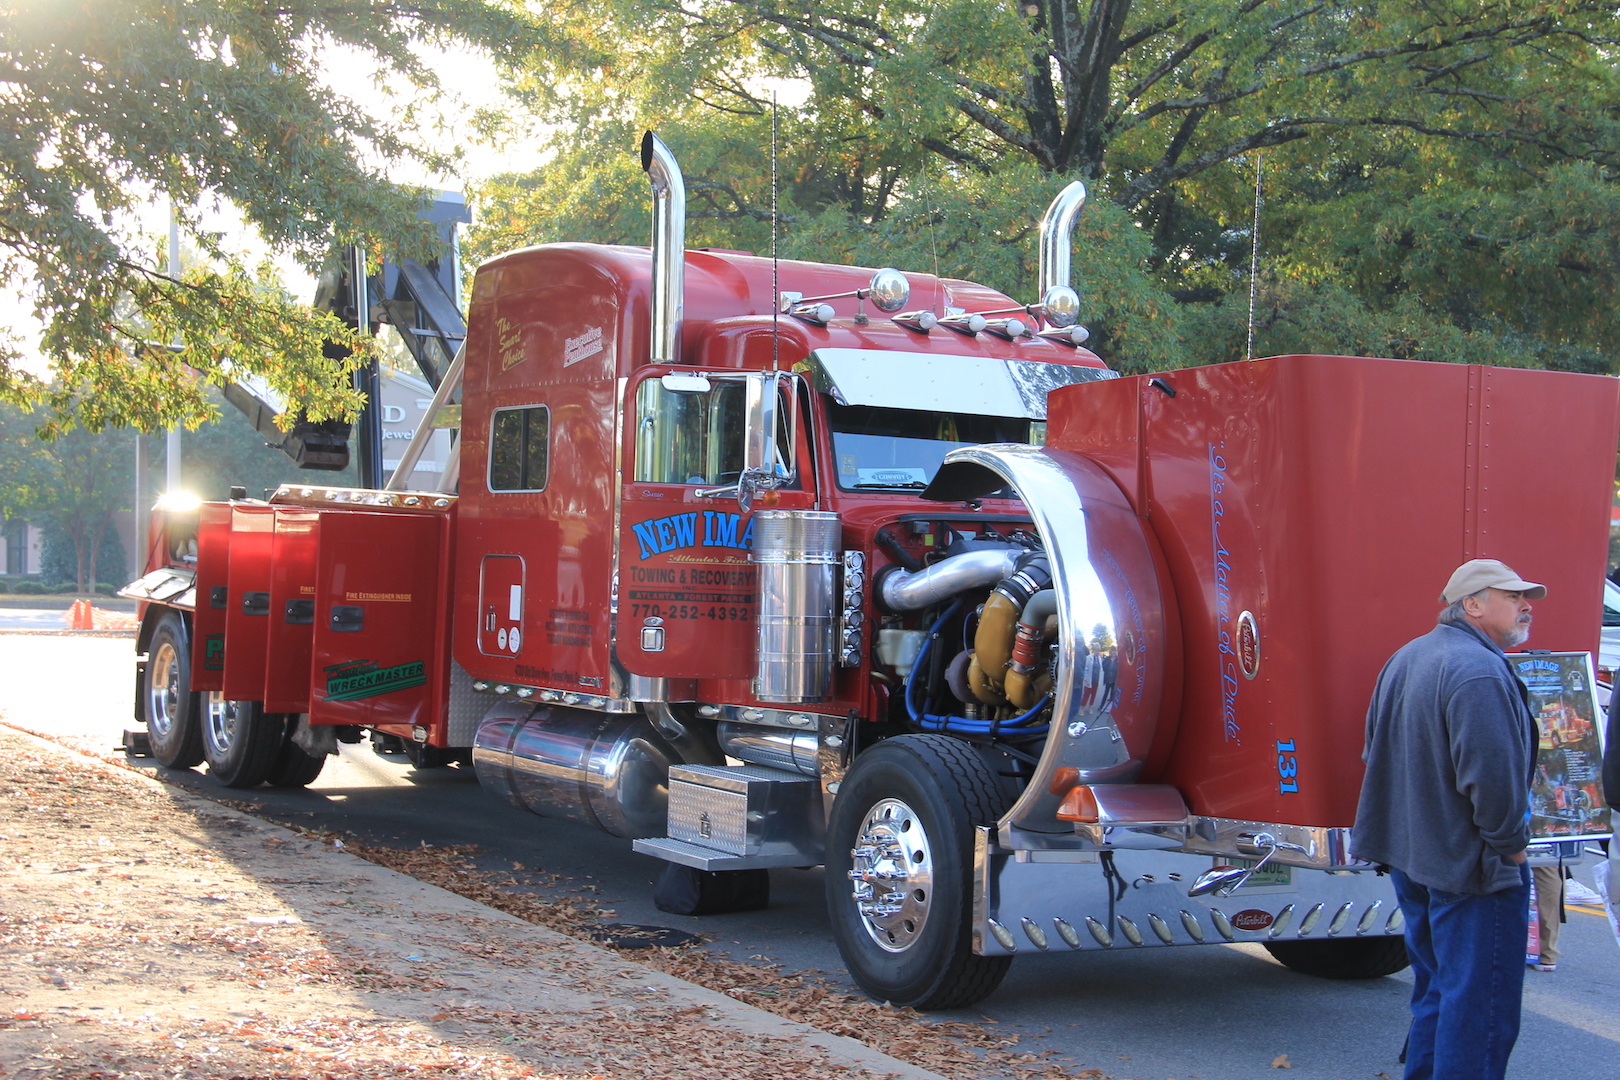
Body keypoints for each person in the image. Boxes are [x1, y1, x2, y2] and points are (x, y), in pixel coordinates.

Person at [1354, 559, 1541, 1080]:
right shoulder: (1476, 670)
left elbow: (1373, 750)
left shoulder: (1409, 655)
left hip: (1416, 858)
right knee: (1480, 1008)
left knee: (1440, 988)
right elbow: (1493, 778)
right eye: (1513, 596)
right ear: (1472, 605)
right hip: (1471, 867)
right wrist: (1511, 847)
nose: (1527, 605)